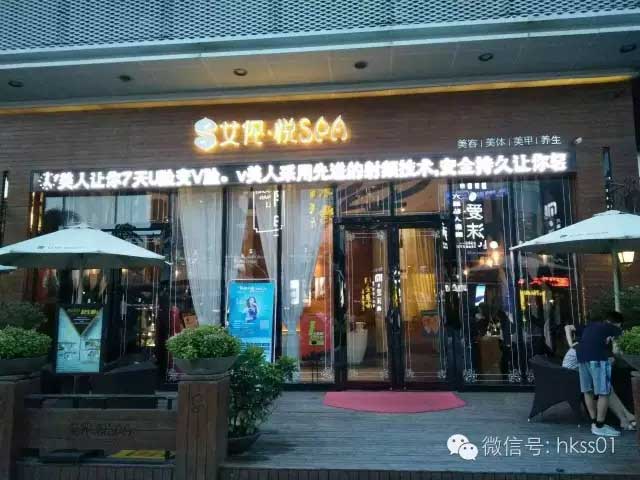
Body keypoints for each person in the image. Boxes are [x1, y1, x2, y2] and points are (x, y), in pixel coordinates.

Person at [563, 318, 636, 432]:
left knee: (606, 388)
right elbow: (613, 355)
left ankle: (624, 419)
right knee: (605, 390)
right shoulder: (597, 338)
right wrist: (570, 344)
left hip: (578, 366)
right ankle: (610, 422)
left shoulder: (591, 334)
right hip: (571, 371)